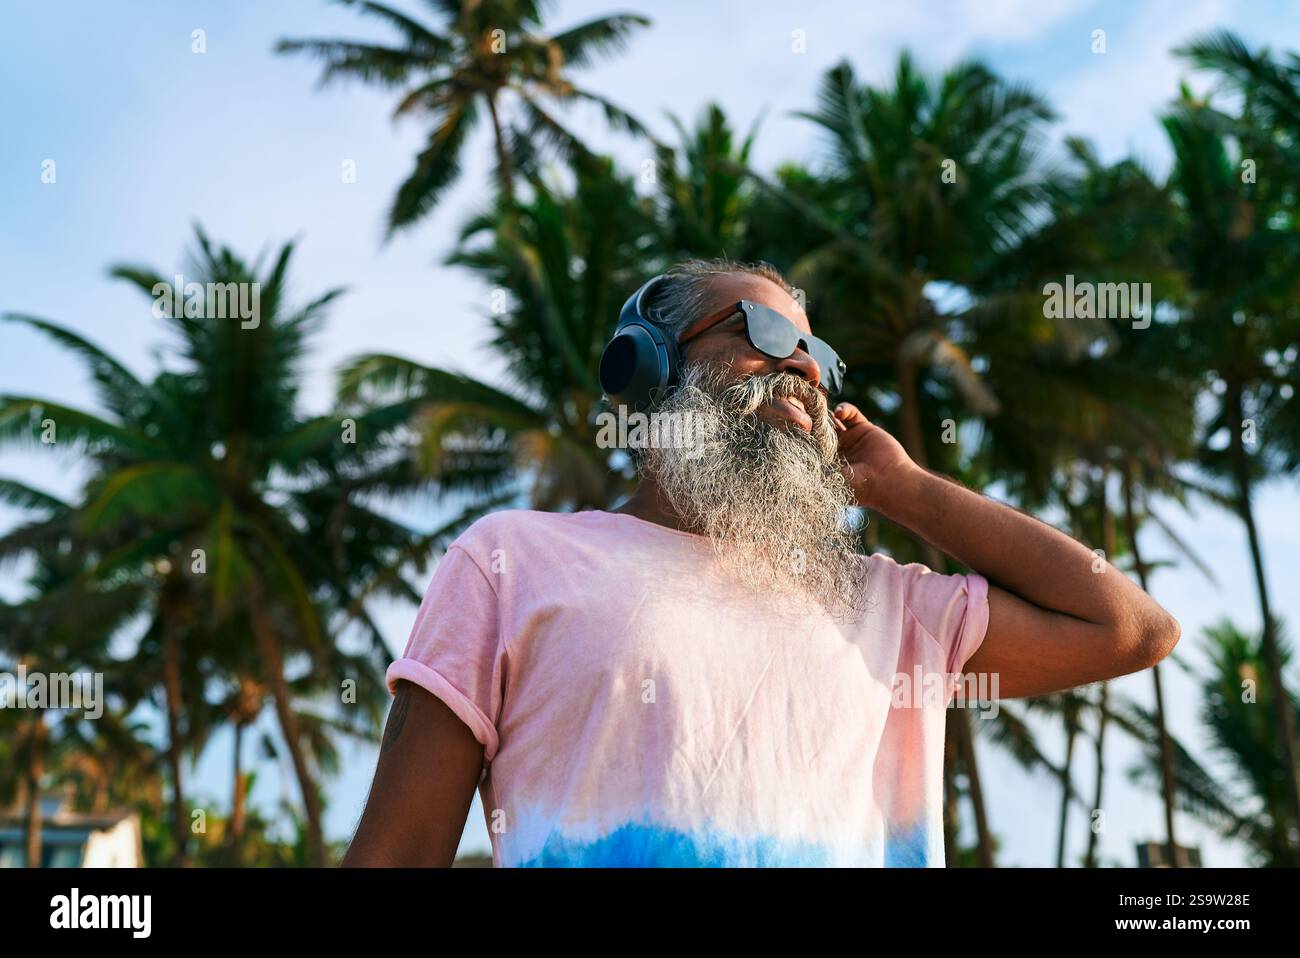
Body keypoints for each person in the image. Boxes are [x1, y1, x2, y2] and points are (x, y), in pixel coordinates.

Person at [342, 258, 1180, 867]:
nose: (803, 369)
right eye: (768, 332)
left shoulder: (887, 606)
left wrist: (908, 490)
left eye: (821, 360)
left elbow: (1130, 629)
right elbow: (398, 852)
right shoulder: (509, 562)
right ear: (650, 364)